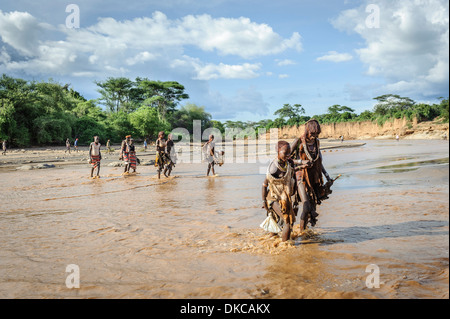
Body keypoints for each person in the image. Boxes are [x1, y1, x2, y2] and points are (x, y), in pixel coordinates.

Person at [290, 119, 333, 234]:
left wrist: (327, 175)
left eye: (317, 134)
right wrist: (301, 162)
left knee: (312, 205)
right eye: (312, 134)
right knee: (306, 205)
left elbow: (319, 161)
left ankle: (305, 232)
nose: (314, 136)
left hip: (314, 177)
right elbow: (286, 159)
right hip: (301, 177)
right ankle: (302, 232)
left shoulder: (316, 142)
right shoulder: (298, 141)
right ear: (307, 130)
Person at [261, 141, 297, 241]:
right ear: (278, 151)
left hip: (284, 198)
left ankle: (272, 243)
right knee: (287, 221)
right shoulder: (273, 168)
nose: (288, 155)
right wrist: (264, 202)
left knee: (277, 222)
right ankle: (285, 246)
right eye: (285, 153)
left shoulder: (288, 163)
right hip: (273, 198)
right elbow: (264, 185)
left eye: (289, 153)